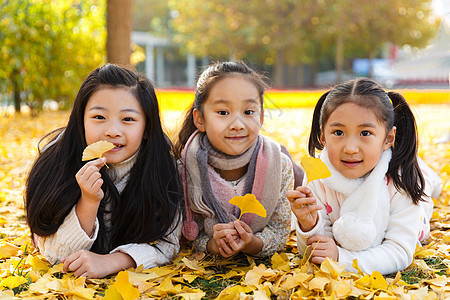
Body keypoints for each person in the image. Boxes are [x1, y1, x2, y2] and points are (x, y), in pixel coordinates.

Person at [25, 64, 182, 278]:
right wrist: (88, 201)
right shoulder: (56, 162)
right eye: (99, 117)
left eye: (128, 119)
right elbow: (55, 254)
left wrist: (112, 261)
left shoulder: (161, 165)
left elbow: (168, 243)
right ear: (81, 120)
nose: (112, 131)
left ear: (146, 128)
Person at [288, 78, 439, 275]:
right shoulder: (318, 175)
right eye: (338, 132)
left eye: (365, 133)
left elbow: (399, 251)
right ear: (323, 136)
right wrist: (309, 224)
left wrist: (342, 259)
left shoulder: (403, 182)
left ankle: (429, 176)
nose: (350, 148)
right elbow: (318, 249)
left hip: (409, 187)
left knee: (427, 186)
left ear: (388, 139)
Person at [176, 61, 294, 258]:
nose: (237, 125)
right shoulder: (185, 168)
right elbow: (189, 232)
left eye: (248, 112)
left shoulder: (280, 166)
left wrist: (252, 243)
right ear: (200, 120)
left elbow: (280, 230)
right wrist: (212, 245)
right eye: (223, 112)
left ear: (261, 118)